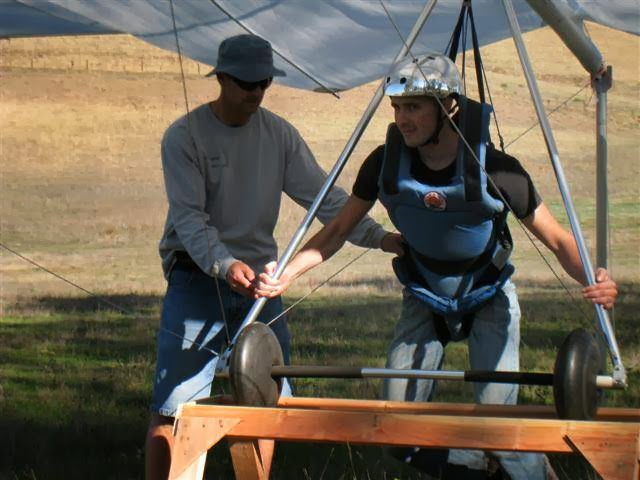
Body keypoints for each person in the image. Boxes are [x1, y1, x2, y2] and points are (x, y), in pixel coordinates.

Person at [255, 54, 618, 479]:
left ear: (449, 107)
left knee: (505, 433)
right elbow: (336, 230)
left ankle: (518, 465)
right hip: (425, 291)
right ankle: (481, 464)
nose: (402, 119)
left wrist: (594, 277)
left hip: (487, 291)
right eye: (396, 107)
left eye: (414, 107)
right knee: (396, 427)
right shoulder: (383, 164)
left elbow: (557, 239)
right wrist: (283, 276)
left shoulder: (497, 168)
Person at [145, 34, 398, 479]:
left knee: (266, 401)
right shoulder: (183, 137)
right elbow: (190, 219)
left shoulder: (278, 134)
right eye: (245, 83)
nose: (255, 93)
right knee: (175, 406)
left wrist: (379, 237)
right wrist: (224, 265)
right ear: (221, 78)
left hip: (262, 286)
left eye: (263, 83)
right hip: (198, 277)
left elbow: (328, 200)